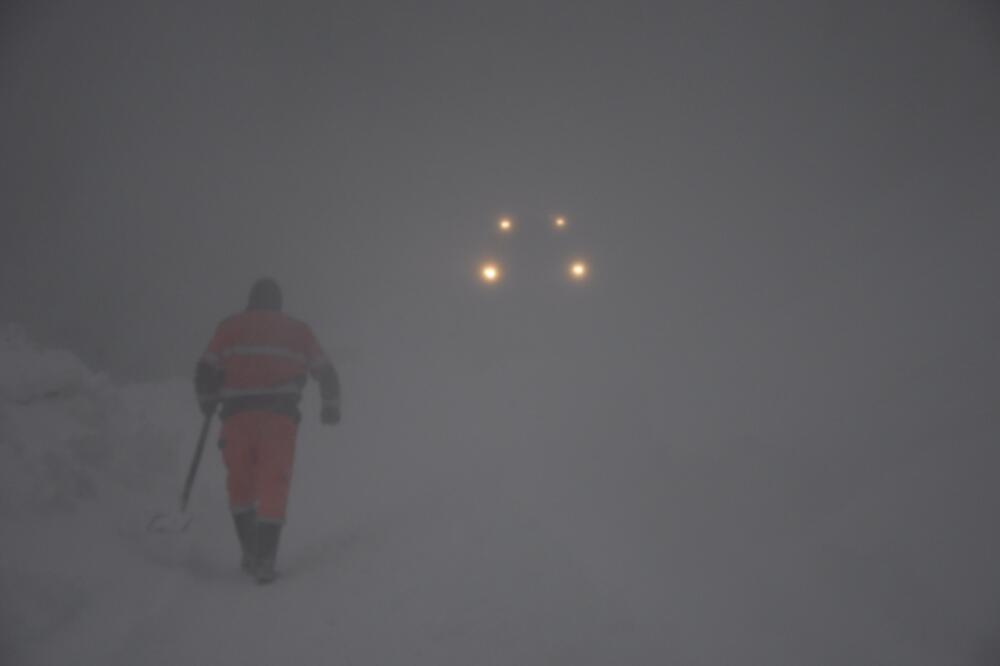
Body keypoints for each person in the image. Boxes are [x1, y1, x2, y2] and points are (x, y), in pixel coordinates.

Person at [194, 277, 340, 584]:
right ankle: (265, 558)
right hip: (278, 418)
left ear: (251, 300)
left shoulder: (230, 327)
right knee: (275, 483)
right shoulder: (297, 330)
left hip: (237, 418)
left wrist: (207, 400)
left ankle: (249, 550)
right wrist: (330, 405)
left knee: (240, 484)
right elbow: (326, 370)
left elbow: (205, 369)